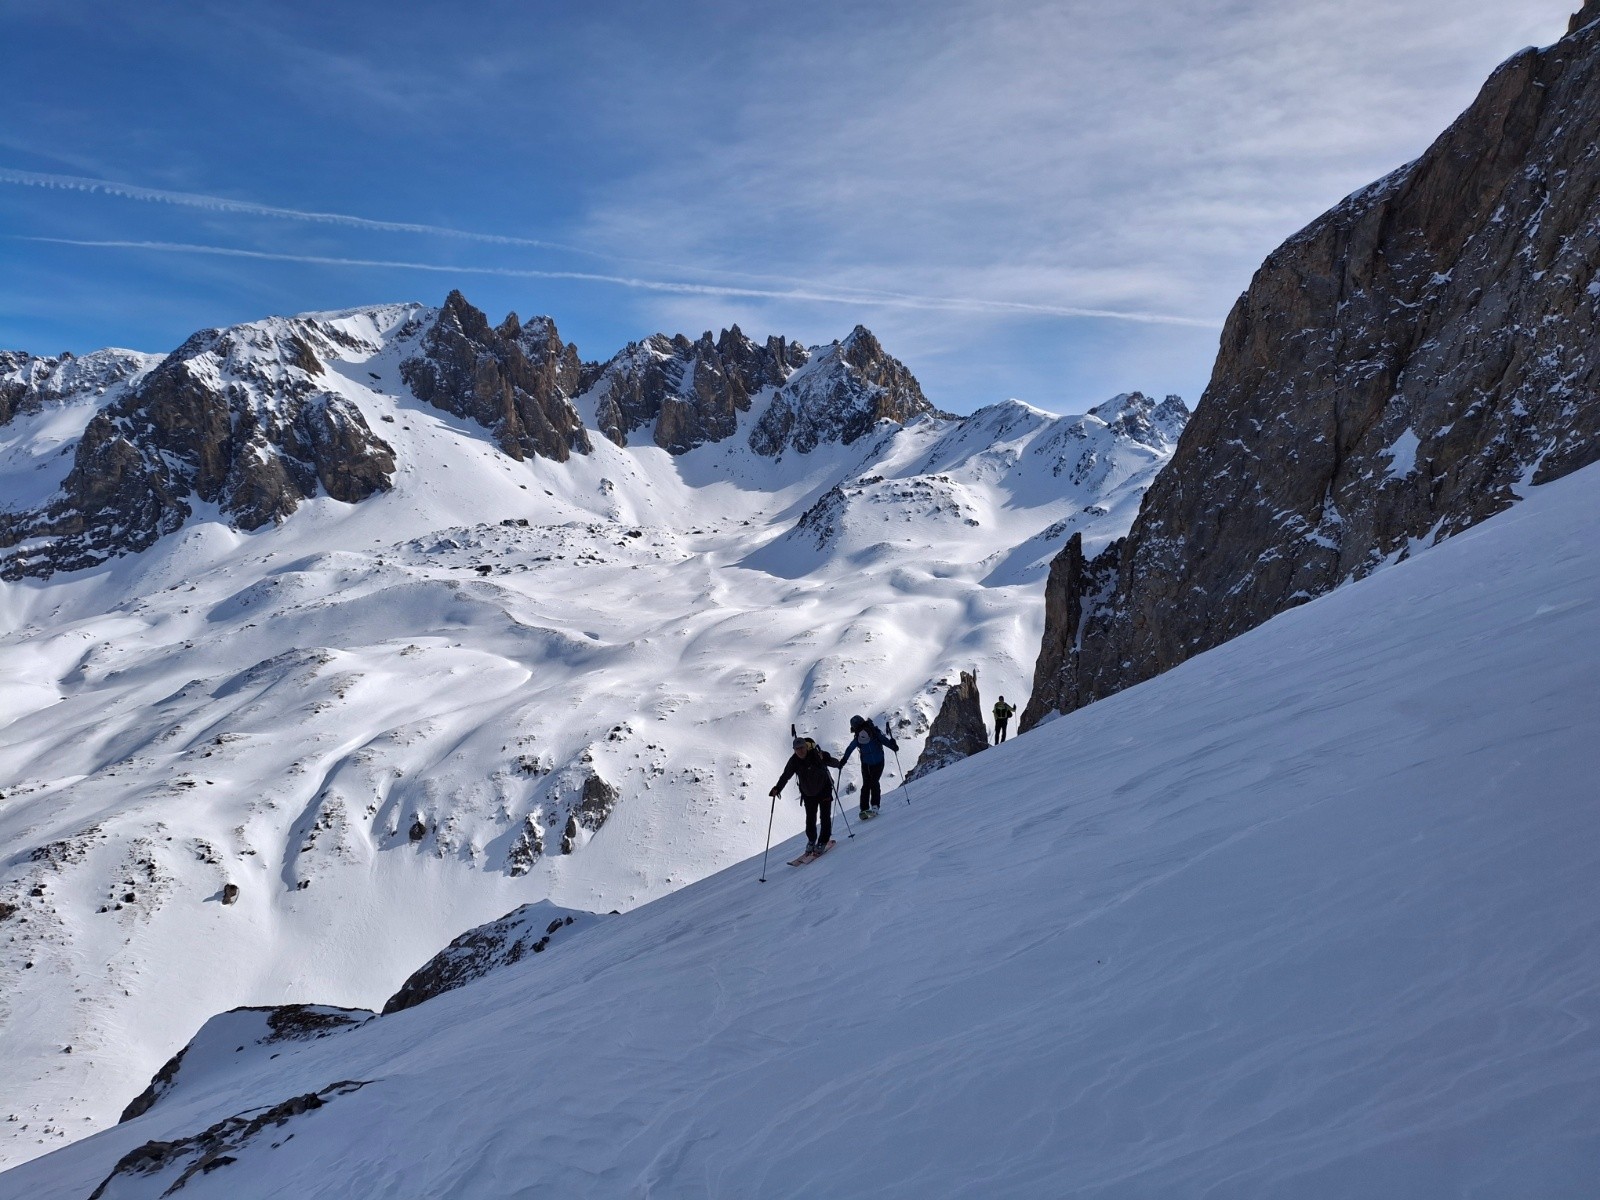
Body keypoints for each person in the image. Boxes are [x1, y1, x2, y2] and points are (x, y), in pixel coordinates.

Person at [770, 736, 842, 856]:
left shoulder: (816, 755)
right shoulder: (794, 761)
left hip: (824, 790)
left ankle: (823, 841)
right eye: (797, 749)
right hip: (808, 794)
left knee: (824, 817)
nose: (800, 751)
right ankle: (812, 841)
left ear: (806, 747)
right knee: (810, 820)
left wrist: (828, 759)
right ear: (794, 750)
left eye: (802, 747)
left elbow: (834, 763)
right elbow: (785, 776)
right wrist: (777, 788)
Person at [839, 714, 898, 819]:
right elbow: (884, 740)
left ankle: (864, 809)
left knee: (867, 785)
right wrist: (893, 746)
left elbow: (850, 749)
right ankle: (875, 806)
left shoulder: (858, 738)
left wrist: (843, 761)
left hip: (866, 764)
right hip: (879, 761)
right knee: (874, 783)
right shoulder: (874, 732)